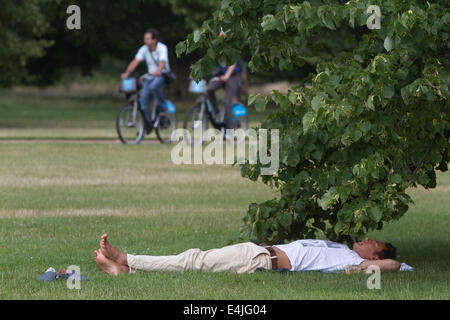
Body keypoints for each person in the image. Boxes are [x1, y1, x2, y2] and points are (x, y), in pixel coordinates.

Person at [93, 234, 401, 276]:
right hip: (256, 252)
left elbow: (397, 264)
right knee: (195, 261)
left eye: (375, 242)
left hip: (258, 260)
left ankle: (127, 260)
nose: (368, 238)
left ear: (374, 257)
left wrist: (374, 266)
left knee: (193, 259)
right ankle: (127, 272)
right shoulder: (341, 248)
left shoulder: (354, 263)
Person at [121, 28, 170, 129]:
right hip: (150, 77)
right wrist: (127, 72)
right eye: (145, 38)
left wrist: (158, 71)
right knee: (143, 98)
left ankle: (163, 107)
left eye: (147, 39)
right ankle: (148, 123)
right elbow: (135, 61)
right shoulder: (144, 49)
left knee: (153, 87)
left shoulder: (162, 48)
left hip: (162, 75)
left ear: (154, 40)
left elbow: (162, 61)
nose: (145, 41)